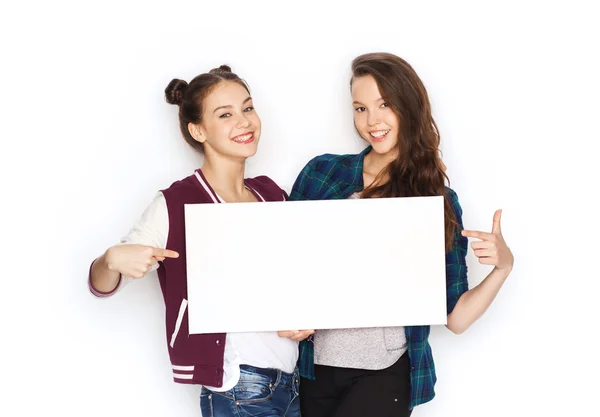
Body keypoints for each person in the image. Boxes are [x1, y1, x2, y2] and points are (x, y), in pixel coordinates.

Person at [289, 52, 515, 417]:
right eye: (360, 108)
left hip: (384, 374)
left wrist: (502, 268)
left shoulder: (434, 200)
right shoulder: (322, 174)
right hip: (315, 371)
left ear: (408, 108)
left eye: (385, 104)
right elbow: (284, 265)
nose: (372, 121)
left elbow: (455, 318)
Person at [88, 65, 312, 417]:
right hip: (239, 387)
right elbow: (102, 283)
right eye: (225, 114)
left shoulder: (272, 194)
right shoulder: (176, 203)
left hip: (291, 381)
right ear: (198, 130)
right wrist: (111, 260)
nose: (244, 121)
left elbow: (291, 278)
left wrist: (303, 316)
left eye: (248, 108)